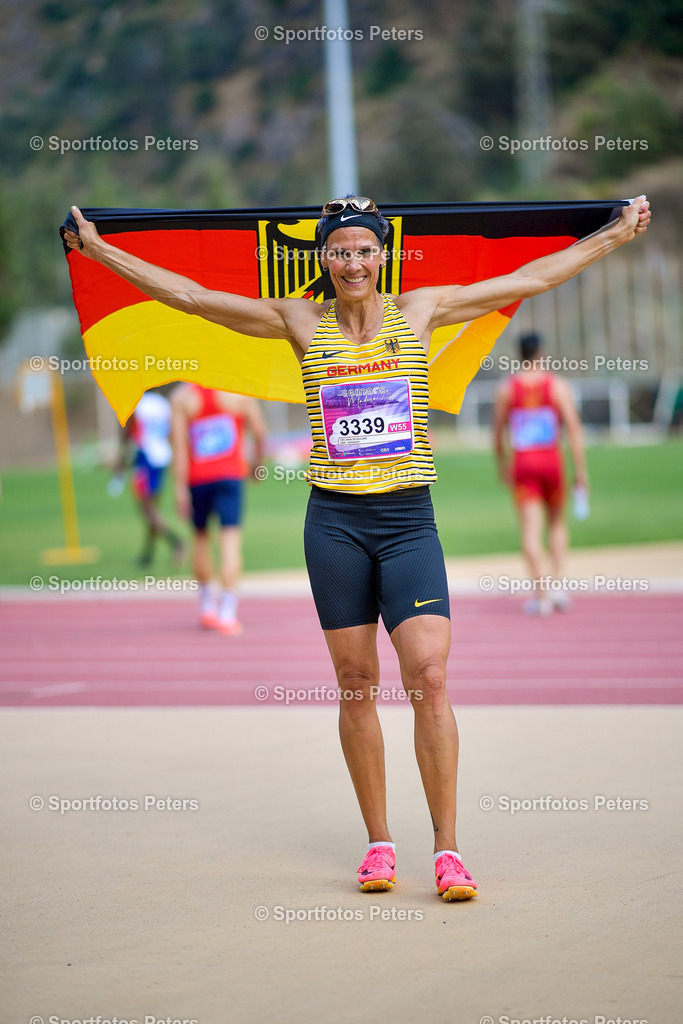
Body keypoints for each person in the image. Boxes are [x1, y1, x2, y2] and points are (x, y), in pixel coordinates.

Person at [65, 193, 650, 901]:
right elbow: (191, 296)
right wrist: (99, 250)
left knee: (429, 676)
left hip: (407, 521)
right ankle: (378, 843)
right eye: (338, 250)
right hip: (335, 522)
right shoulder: (296, 319)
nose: (351, 261)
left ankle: (447, 849)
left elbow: (531, 277)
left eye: (363, 250)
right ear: (323, 259)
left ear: (383, 255)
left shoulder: (422, 309)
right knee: (354, 684)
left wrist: (613, 236)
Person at [493, 332, 588, 615]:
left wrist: (502, 463)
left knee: (530, 531)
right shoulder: (556, 385)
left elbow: (498, 433)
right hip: (552, 462)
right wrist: (580, 471)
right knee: (557, 523)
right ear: (542, 353)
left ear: (520, 353)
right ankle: (558, 587)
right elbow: (573, 430)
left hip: (524, 464)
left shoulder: (507, 388)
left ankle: (542, 595)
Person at [170, 384, 266, 635]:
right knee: (230, 541)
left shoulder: (182, 397)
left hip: (198, 479)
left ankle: (206, 607)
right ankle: (227, 613)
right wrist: (258, 464)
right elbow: (260, 432)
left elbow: (179, 447)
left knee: (200, 538)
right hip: (229, 477)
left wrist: (179, 488)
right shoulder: (240, 392)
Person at [117, 388, 185, 567]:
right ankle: (148, 554)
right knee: (153, 508)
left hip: (145, 457)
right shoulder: (163, 404)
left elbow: (128, 433)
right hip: (162, 457)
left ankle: (175, 542)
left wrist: (121, 460)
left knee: (147, 510)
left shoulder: (137, 404)